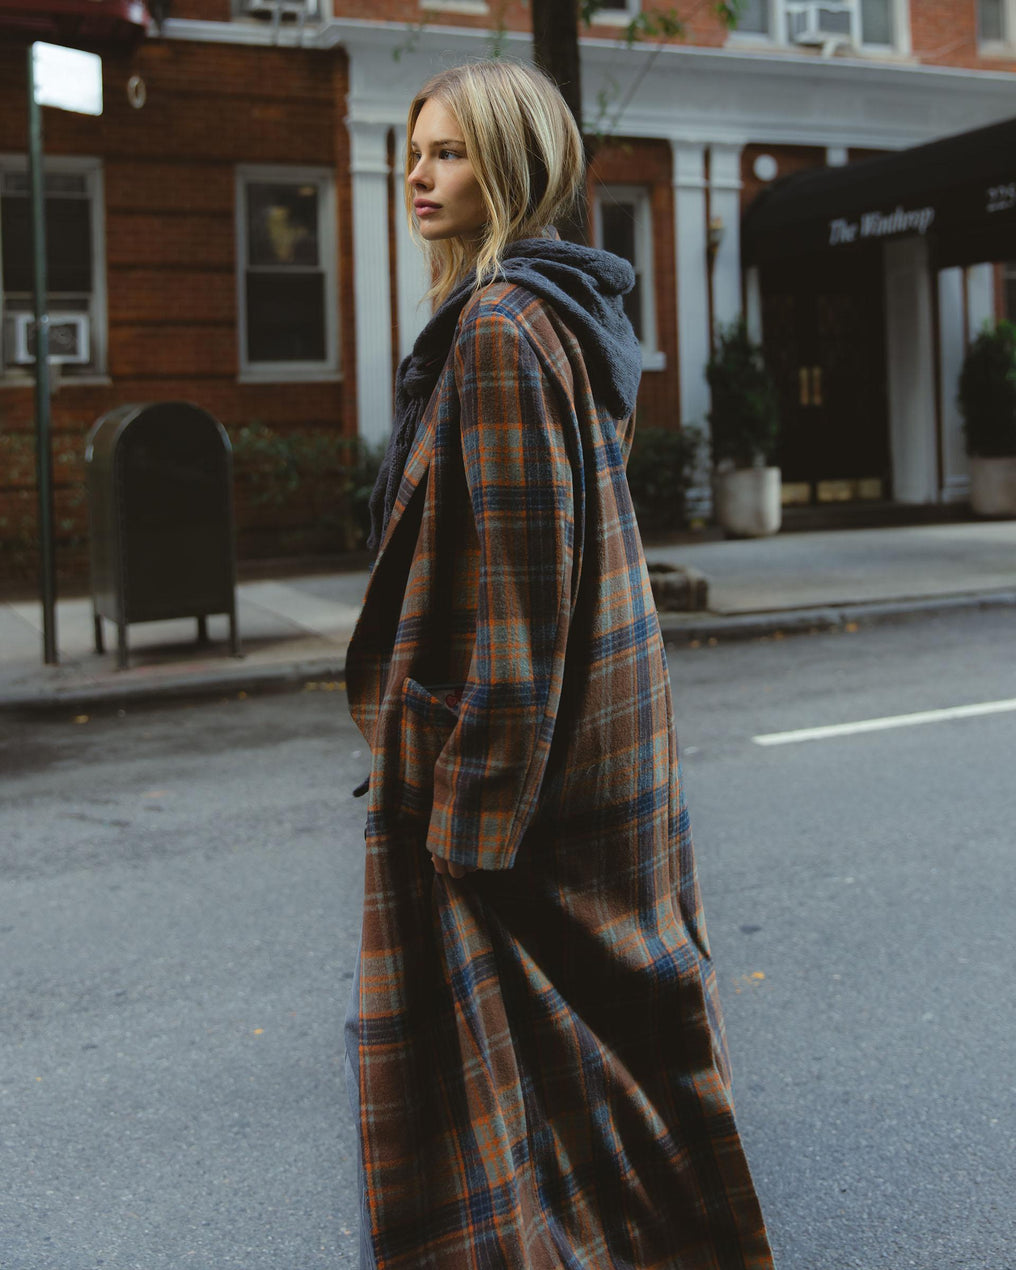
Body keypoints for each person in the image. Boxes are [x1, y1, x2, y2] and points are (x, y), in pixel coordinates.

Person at [344, 58, 774, 1269]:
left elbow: (524, 594)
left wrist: (471, 817)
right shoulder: (551, 314)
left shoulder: (498, 327)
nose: (418, 176)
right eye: (413, 152)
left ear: (514, 167)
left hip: (515, 785)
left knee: (496, 1087)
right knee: (594, 1072)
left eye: (449, 154)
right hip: (584, 762)